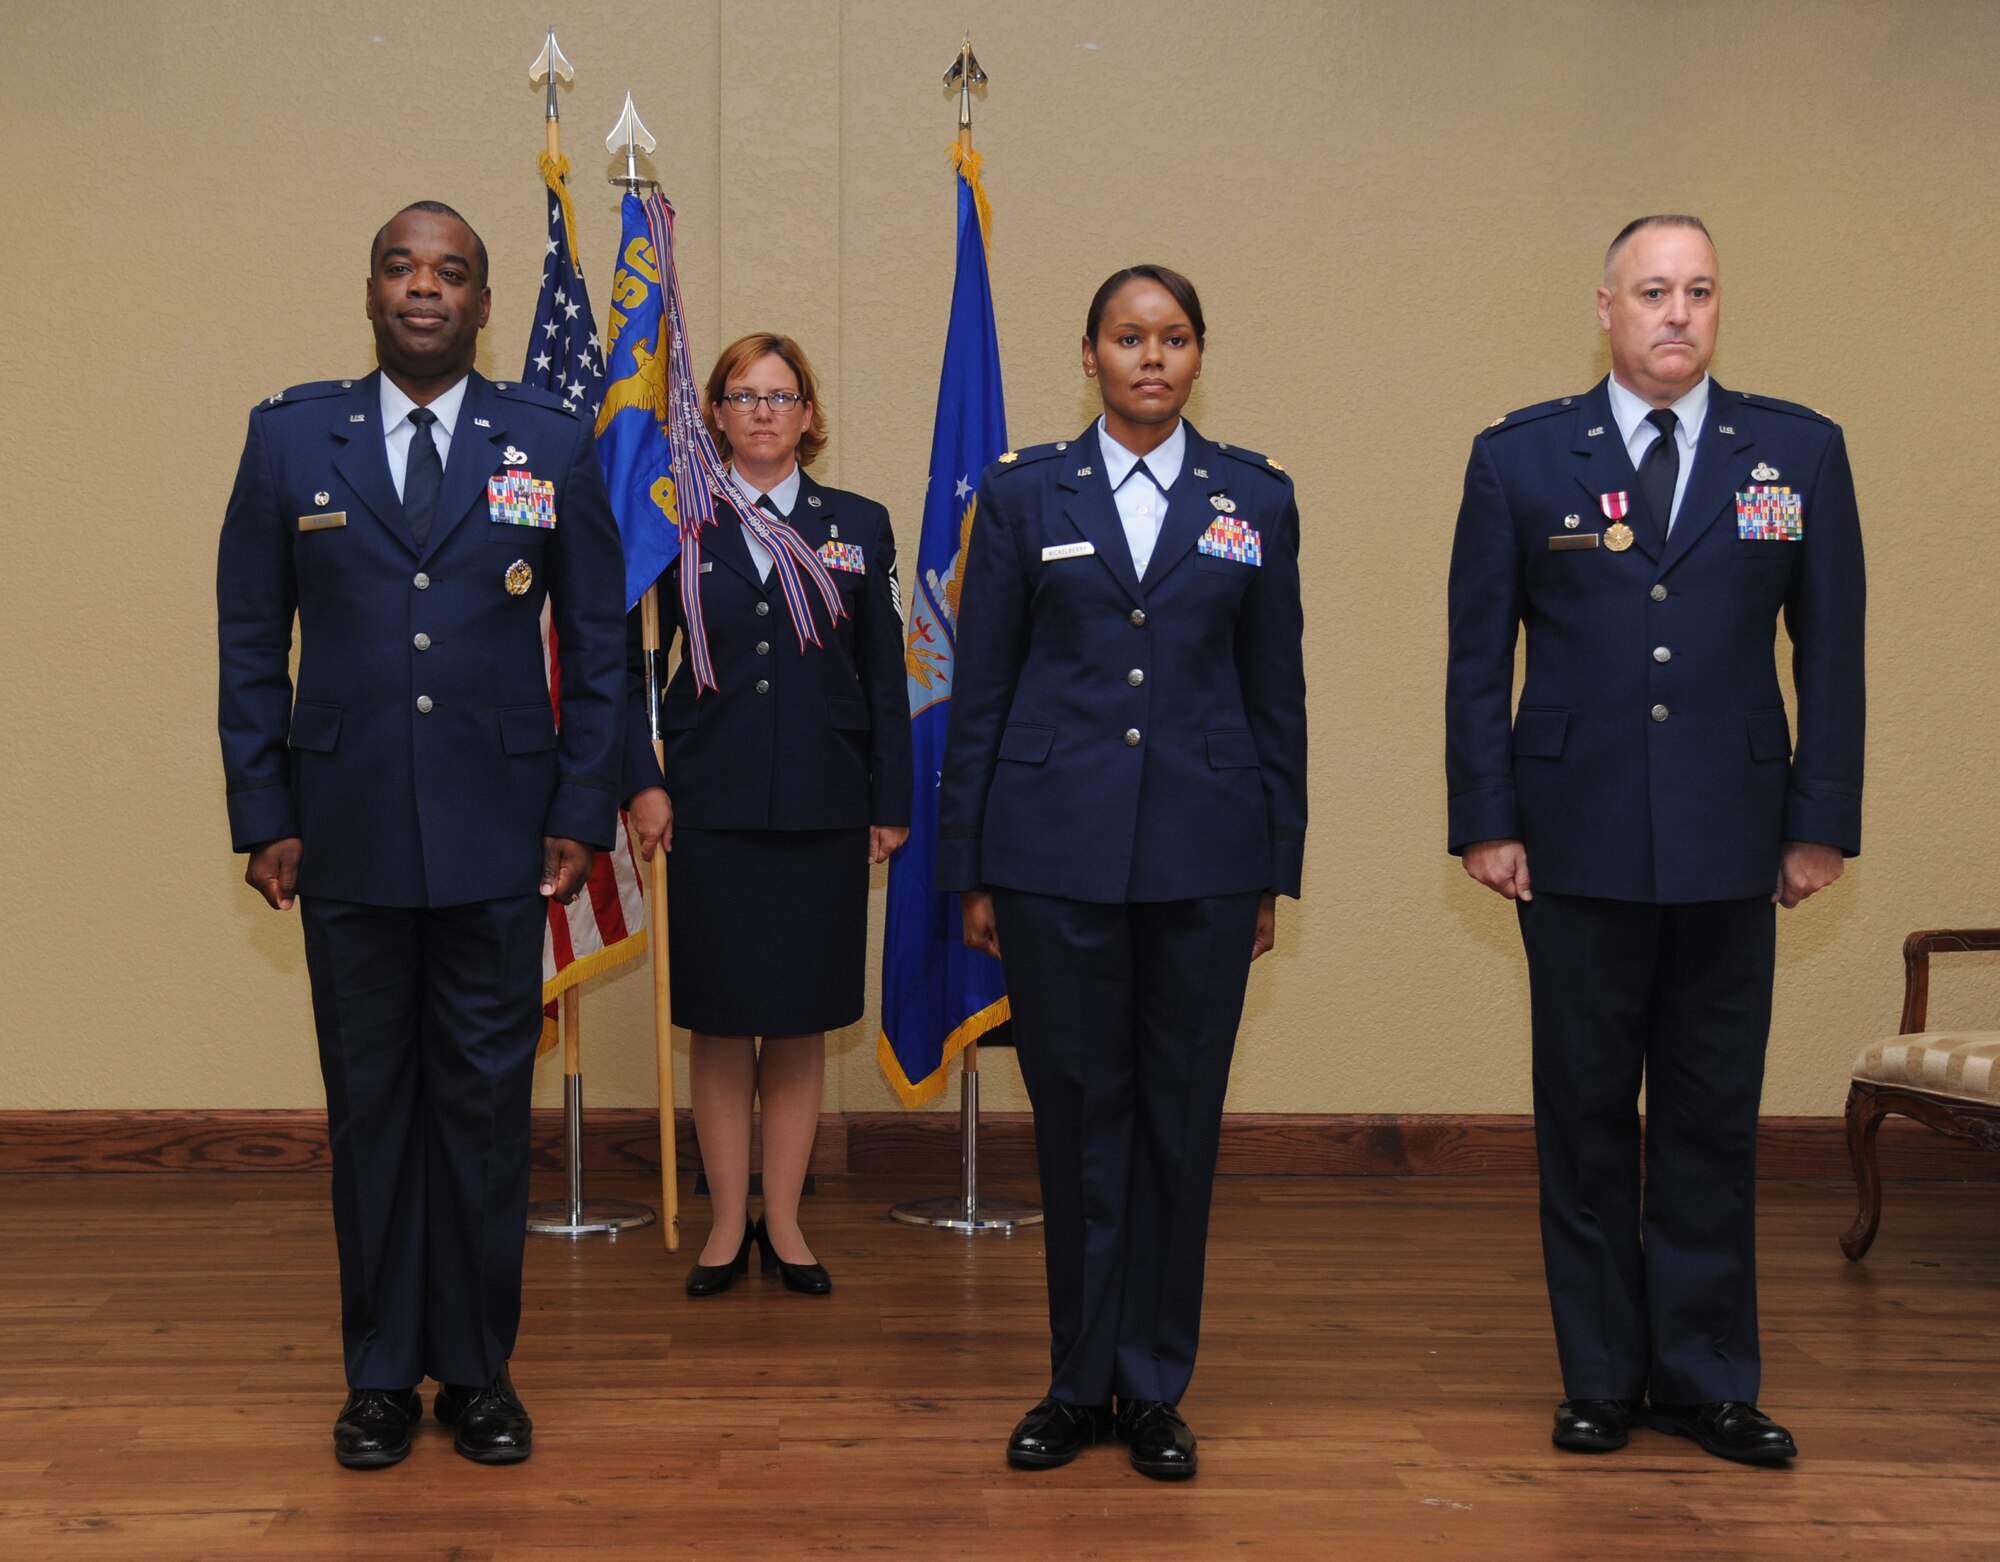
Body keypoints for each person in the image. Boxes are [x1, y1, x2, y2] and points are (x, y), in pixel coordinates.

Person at [216, 201, 631, 1469]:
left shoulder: (548, 441)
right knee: (371, 1114)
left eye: (450, 272)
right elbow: (248, 640)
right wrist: (264, 808)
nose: (424, 288)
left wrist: (577, 807)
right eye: (401, 267)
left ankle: (479, 1373)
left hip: (500, 840)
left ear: (484, 304)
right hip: (340, 839)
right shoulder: (292, 439)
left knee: (479, 1112)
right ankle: (381, 1374)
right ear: (370, 292)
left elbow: (603, 646)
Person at [1445, 215, 1865, 1464]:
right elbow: (1478, 661)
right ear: (1605, 308)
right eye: (1650, 292)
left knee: (1706, 1113)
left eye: (1696, 291)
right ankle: (1600, 1375)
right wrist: (1486, 818)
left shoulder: (1794, 451)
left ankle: (1705, 1376)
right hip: (1566, 844)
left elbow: (1829, 656)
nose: (1675, 313)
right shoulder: (1520, 459)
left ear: (1717, 306)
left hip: (1737, 841)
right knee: (1580, 1115)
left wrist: (1816, 824)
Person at [937, 265, 1307, 1480]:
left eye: (1174, 337)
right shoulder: (1025, 489)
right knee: (1078, 1123)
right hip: (1051, 855)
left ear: (1199, 355)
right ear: (1089, 352)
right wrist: (972, 864)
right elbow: (981, 690)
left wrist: (1272, 868)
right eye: (1127, 336)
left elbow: (1274, 694)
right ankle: (1073, 1380)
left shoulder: (1251, 496)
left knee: (1175, 1125)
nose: (1151, 357)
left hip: (1204, 855)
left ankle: (1151, 1385)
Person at [625, 333, 910, 1297]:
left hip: (825, 805)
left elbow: (883, 677)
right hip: (705, 802)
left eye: (780, 396)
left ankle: (783, 1224)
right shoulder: (674, 527)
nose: (761, 412)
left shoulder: (857, 524)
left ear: (809, 416)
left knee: (795, 1023)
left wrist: (890, 800)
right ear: (712, 413)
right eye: (742, 396)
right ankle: (721, 1227)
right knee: (716, 1020)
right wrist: (641, 781)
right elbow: (629, 674)